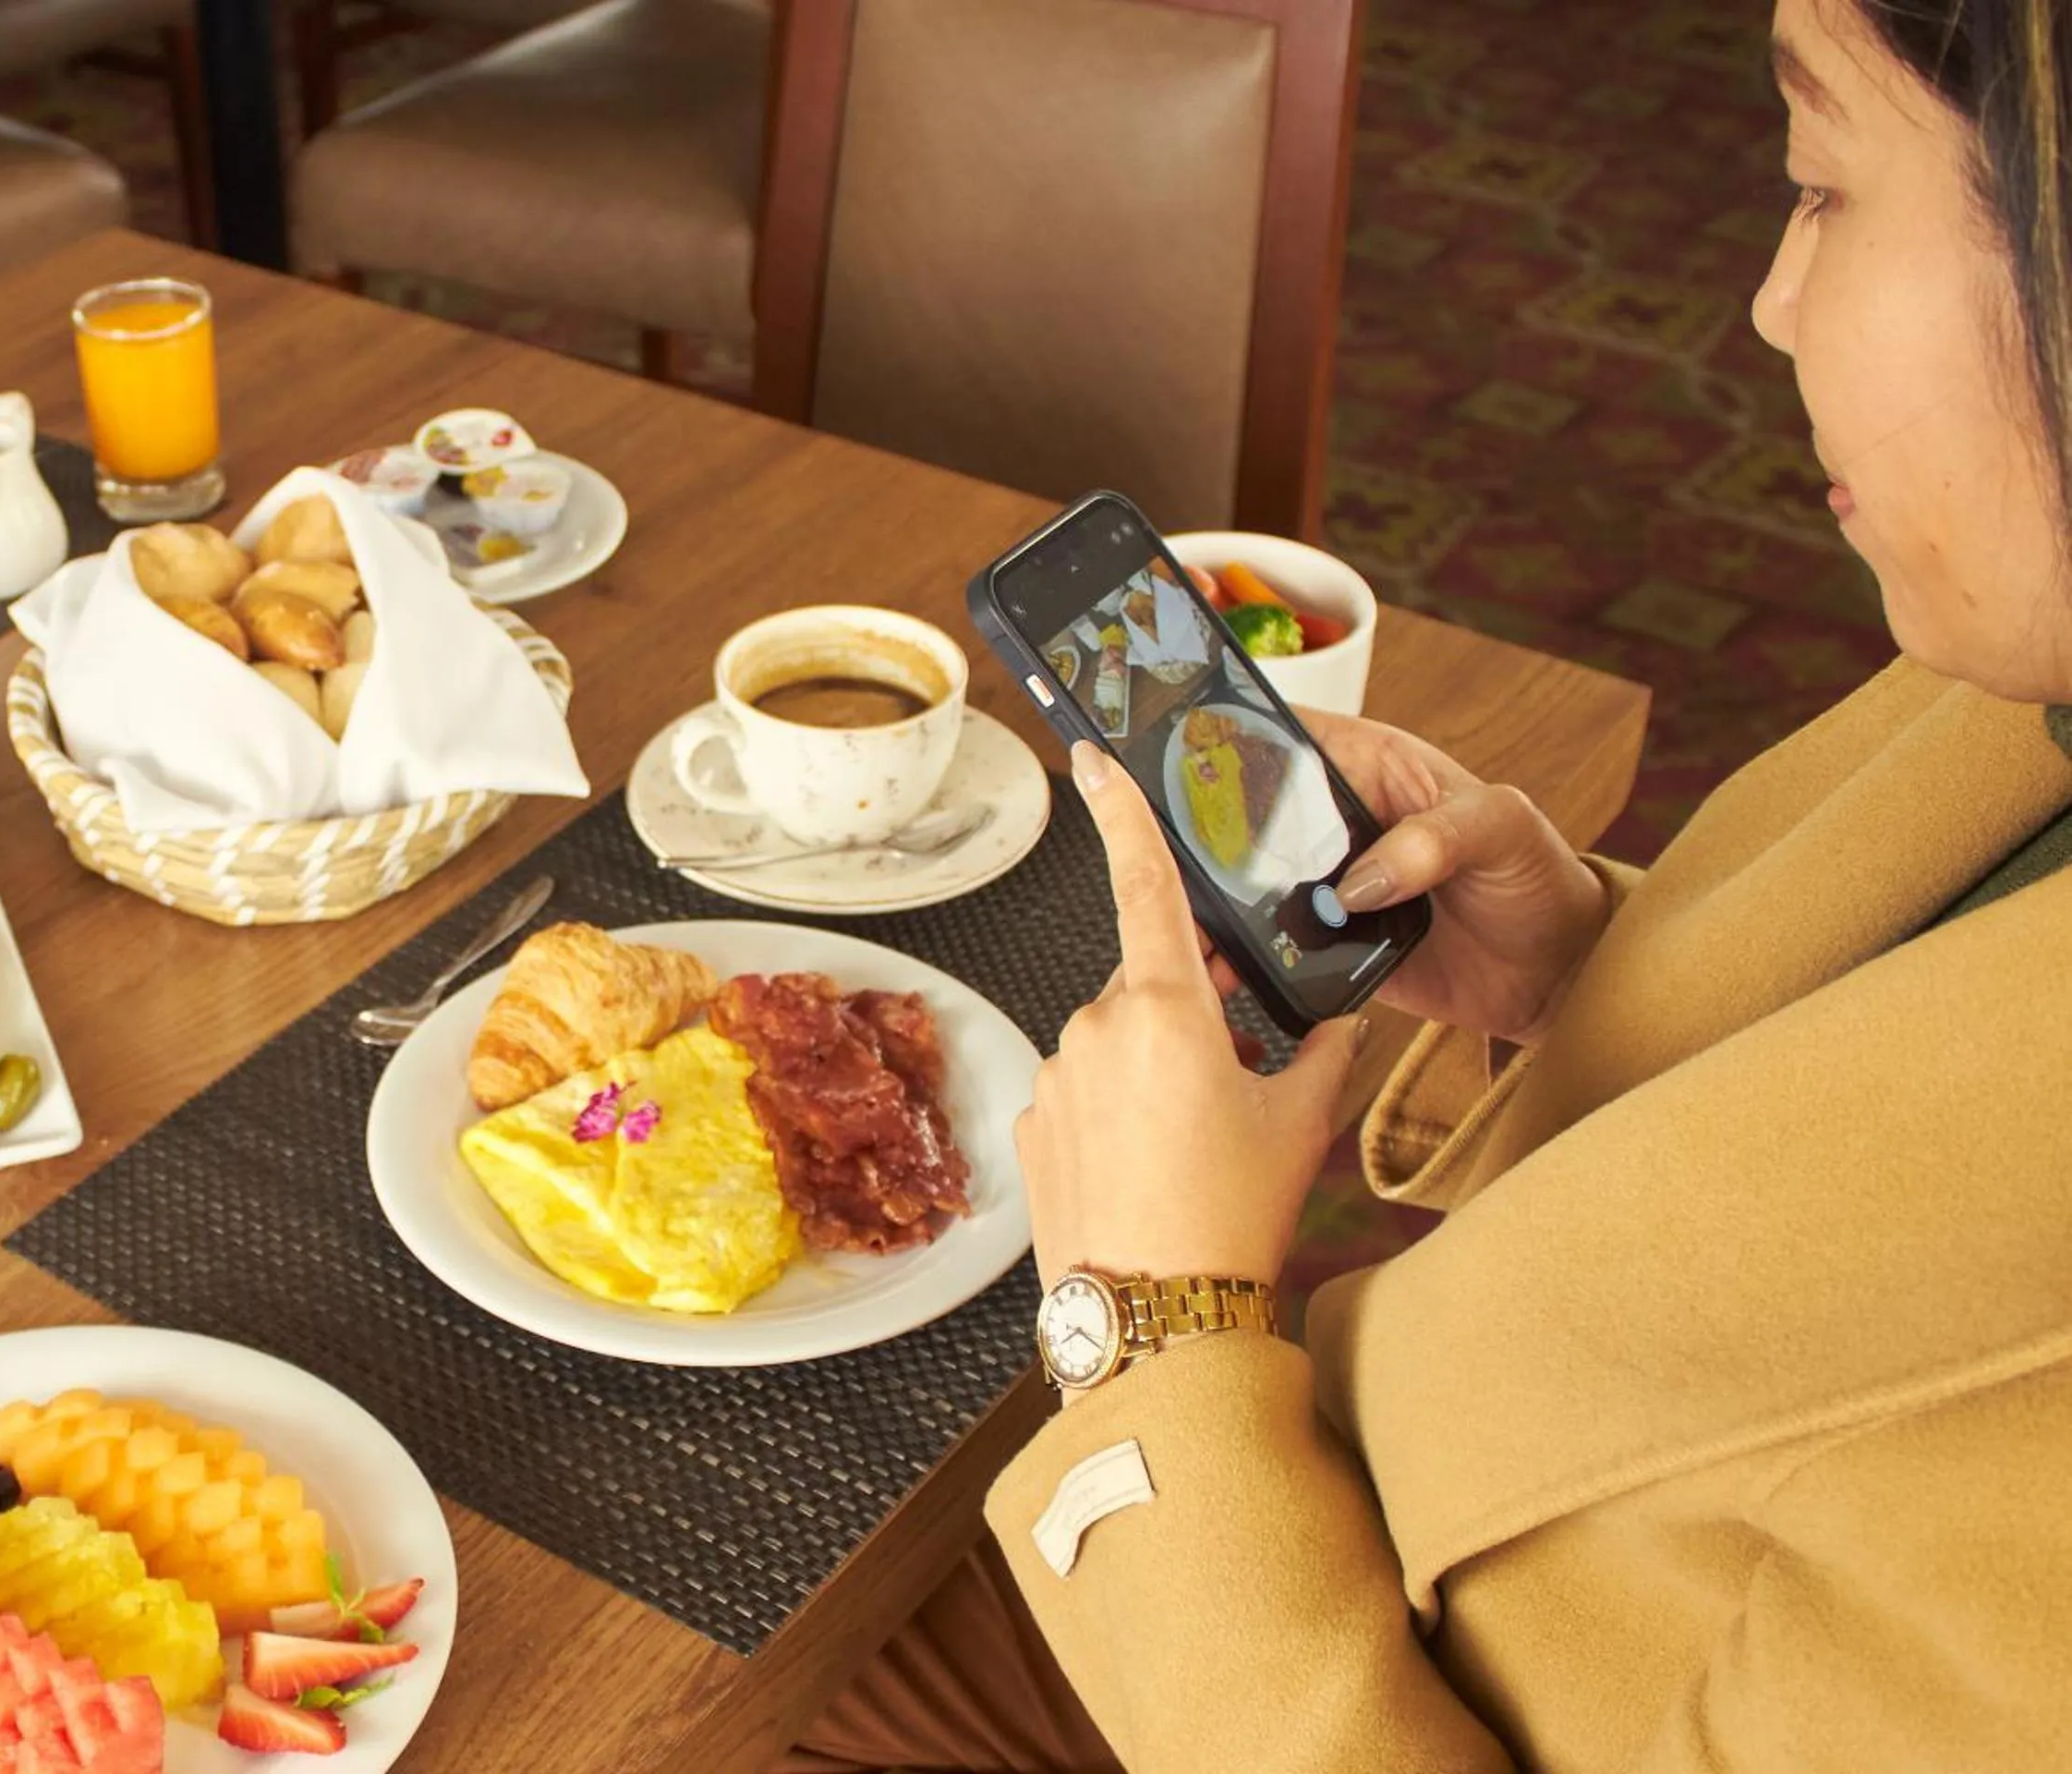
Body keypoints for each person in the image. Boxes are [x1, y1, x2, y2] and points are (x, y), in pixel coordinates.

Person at [784, 0, 2072, 1766]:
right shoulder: (2019, 676)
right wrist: (1585, 978)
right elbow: (1893, 1119)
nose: (1769, 301)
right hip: (1354, 1483)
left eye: (1824, 187)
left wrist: (1149, 1327)